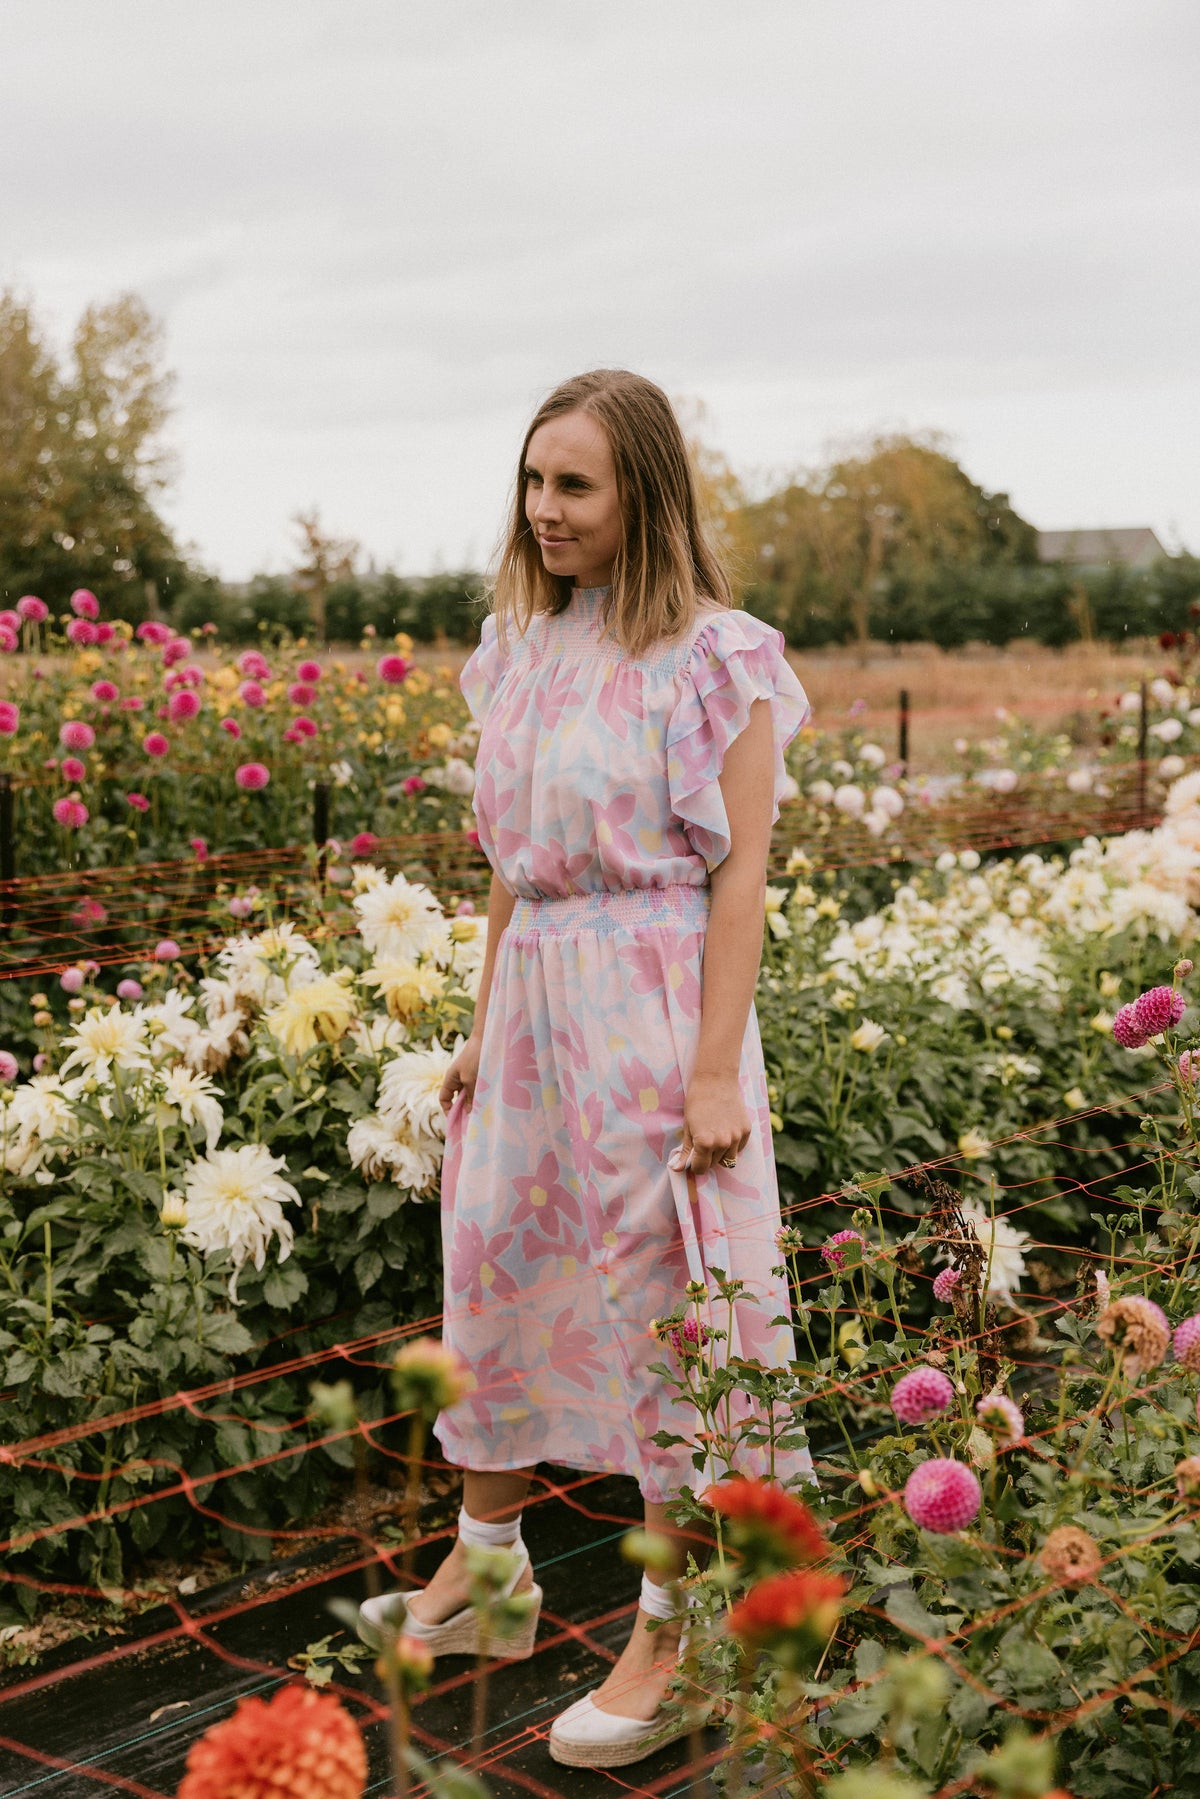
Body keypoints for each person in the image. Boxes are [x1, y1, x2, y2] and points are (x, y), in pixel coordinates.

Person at [359, 368, 811, 1768]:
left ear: (643, 497)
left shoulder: (714, 659)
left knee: (666, 1301)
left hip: (653, 1004)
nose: (545, 510)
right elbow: (506, 872)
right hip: (540, 1000)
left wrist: (717, 1075)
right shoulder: (522, 651)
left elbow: (738, 883)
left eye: (576, 485)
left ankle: (674, 1619)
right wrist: (483, 1028)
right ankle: (488, 1567)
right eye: (534, 481)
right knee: (493, 1260)